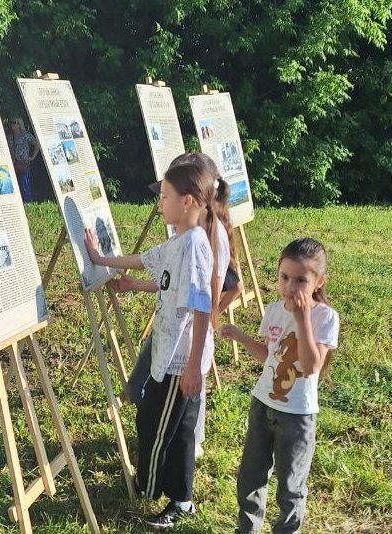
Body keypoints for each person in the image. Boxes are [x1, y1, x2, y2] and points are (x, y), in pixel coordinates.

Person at [84, 161, 218, 530]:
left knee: (157, 424)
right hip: (172, 356)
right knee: (174, 427)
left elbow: (202, 306)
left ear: (188, 201)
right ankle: (179, 497)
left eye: (164, 196)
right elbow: (147, 262)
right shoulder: (181, 240)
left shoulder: (194, 245)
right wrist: (101, 260)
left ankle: (154, 489)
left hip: (181, 362)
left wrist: (193, 366)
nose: (160, 203)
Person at [113, 152, 241, 460]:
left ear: (194, 197)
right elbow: (177, 280)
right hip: (173, 327)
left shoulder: (210, 236)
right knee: (148, 382)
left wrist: (209, 320)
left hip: (188, 335)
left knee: (185, 392)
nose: (161, 200)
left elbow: (224, 289)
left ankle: (185, 446)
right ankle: (163, 435)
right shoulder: (189, 230)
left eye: (167, 193)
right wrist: (138, 285)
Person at [220, 238, 339, 533]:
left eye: (301, 279)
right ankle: (247, 529)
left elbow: (312, 367)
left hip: (297, 416)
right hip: (262, 405)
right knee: (250, 475)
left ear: (318, 282)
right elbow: (268, 354)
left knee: (290, 485)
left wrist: (301, 319)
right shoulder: (274, 310)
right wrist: (241, 337)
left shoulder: (324, 317)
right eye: (284, 277)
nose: (290, 286)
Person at [5, 117, 40, 202]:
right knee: (13, 187)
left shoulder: (26, 135)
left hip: (24, 164)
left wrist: (32, 157)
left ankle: (28, 204)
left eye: (14, 122)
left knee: (25, 187)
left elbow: (37, 144)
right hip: (13, 165)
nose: (12, 125)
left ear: (19, 124)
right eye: (11, 123)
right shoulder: (10, 137)